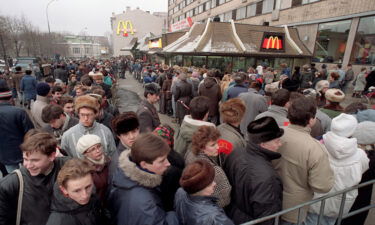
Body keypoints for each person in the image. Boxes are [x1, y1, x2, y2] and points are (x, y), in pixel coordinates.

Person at [273, 97, 334, 225]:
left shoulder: (275, 133)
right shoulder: (315, 148)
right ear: (311, 120)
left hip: (269, 198)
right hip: (292, 208)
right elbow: (322, 186)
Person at [306, 114, 369, 225]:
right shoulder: (360, 155)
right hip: (340, 203)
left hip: (316, 199)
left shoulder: (316, 145)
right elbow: (363, 169)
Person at [107, 133, 179, 225]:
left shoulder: (123, 174)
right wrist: (173, 216)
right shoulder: (145, 203)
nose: (168, 163)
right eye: (162, 161)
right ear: (144, 164)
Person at [223, 117, 284, 225]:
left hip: (232, 216)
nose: (280, 144)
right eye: (277, 141)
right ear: (263, 144)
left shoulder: (235, 154)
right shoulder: (268, 178)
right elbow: (268, 219)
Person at [0, 132, 68, 225]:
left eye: (35, 160)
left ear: (52, 156)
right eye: (25, 159)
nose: (28, 165)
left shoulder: (68, 166)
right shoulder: (10, 184)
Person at [46, 159, 106, 225]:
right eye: (77, 191)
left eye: (88, 187)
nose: (85, 195)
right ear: (64, 190)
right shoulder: (58, 221)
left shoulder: (93, 197)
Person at [175, 160, 234, 225]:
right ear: (199, 188)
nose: (214, 184)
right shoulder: (215, 218)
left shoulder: (180, 192)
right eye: (209, 184)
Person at [186, 126, 232, 208]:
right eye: (213, 145)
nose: (218, 147)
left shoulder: (190, 153)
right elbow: (225, 200)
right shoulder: (215, 171)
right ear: (202, 147)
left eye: (217, 142)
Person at [0, 85, 34, 173]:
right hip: (23, 150)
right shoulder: (19, 112)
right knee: (29, 174)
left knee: (13, 177)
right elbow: (31, 132)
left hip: (4, 153)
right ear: (11, 98)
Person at [75, 135, 110, 203]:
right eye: (92, 149)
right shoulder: (85, 170)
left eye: (99, 146)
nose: (97, 150)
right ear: (85, 154)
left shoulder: (109, 161)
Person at [109, 112, 140, 182]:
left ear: (139, 130)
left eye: (134, 131)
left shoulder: (143, 147)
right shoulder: (118, 161)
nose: (131, 137)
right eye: (126, 134)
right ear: (119, 136)